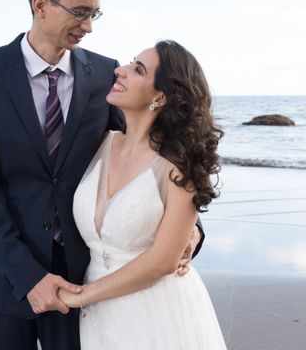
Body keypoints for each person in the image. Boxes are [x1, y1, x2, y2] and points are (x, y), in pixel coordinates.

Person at [0, 0, 203, 350]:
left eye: (95, 14)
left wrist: (188, 230)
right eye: (80, 11)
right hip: (3, 278)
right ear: (41, 4)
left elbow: (152, 154)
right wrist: (27, 277)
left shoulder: (105, 75)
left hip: (83, 277)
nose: (88, 25)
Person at [59, 40, 227, 349]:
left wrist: (84, 295)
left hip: (156, 311)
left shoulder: (179, 164)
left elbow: (163, 260)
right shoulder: (101, 143)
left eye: (137, 69)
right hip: (98, 314)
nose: (119, 71)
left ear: (160, 96)